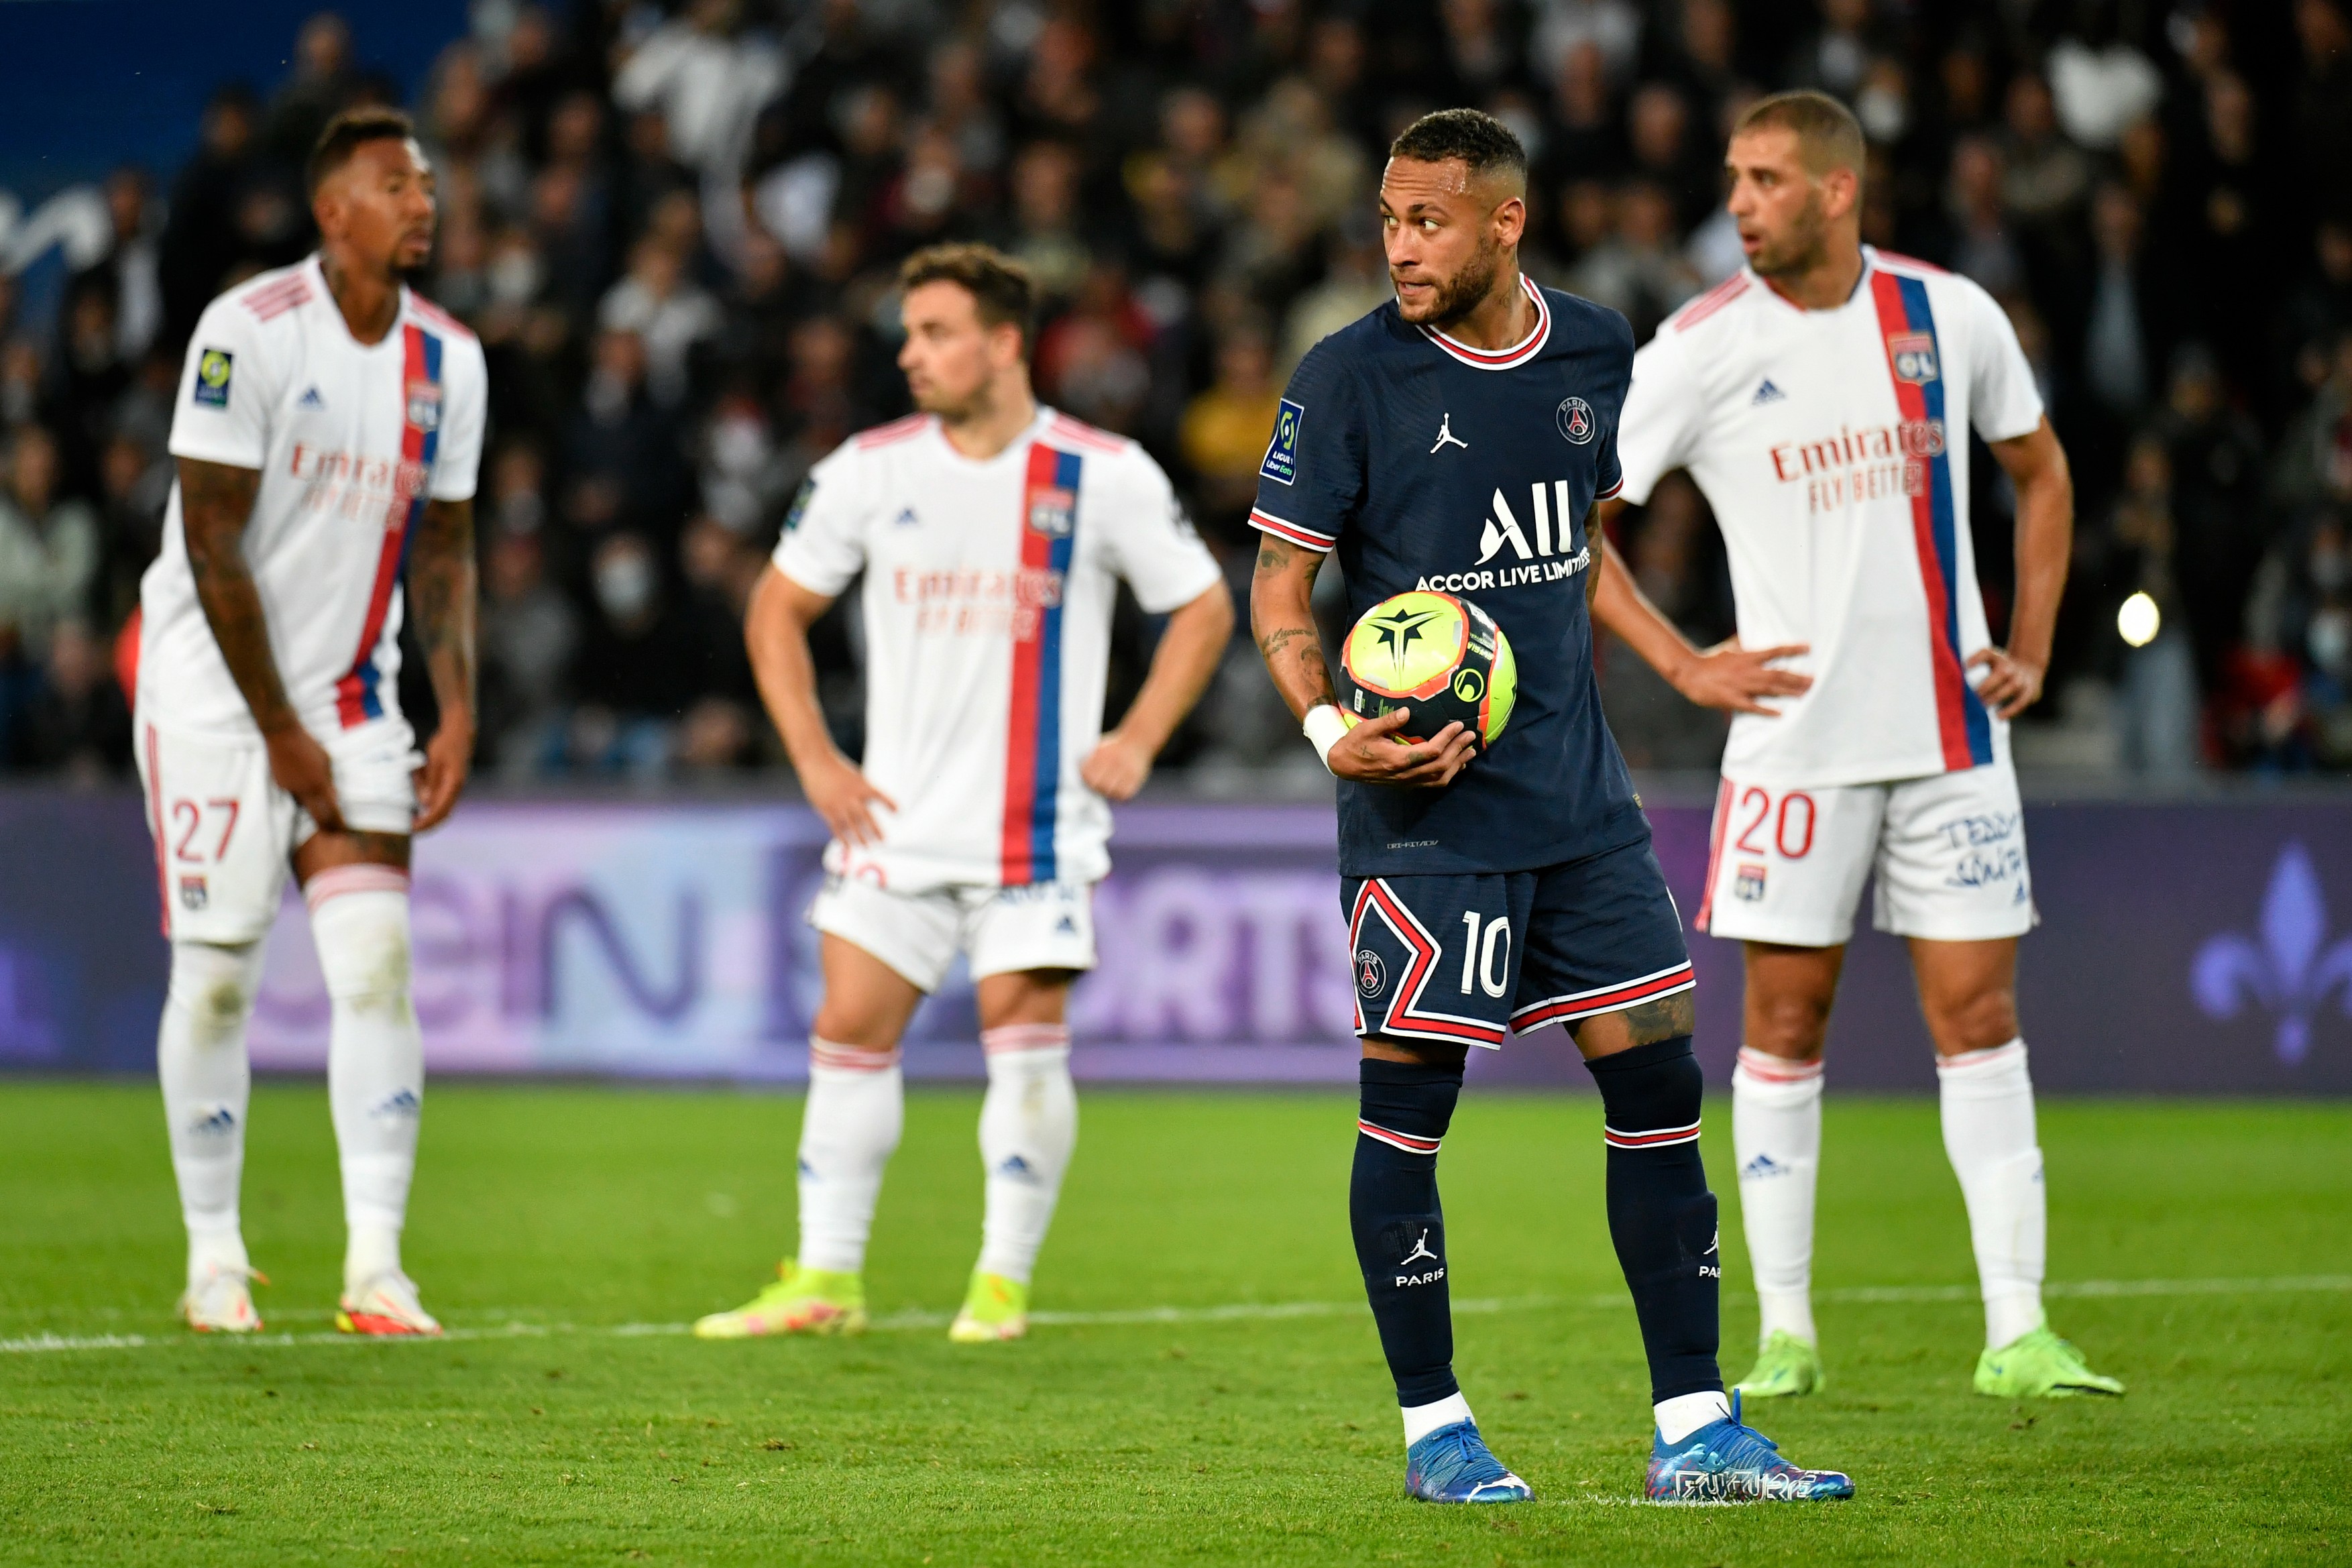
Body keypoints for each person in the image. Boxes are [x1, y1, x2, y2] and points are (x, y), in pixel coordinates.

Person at [1249, 109, 1851, 1506]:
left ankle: (1695, 1428)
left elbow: (1575, 547)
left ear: (1502, 222)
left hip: (1580, 807)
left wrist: (1681, 658)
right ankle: (1435, 1430)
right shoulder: (1343, 380)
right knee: (1406, 1111)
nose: (1397, 244)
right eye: (1389, 219)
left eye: (1428, 221)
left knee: (1655, 1083)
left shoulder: (1590, 350)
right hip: (1423, 816)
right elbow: (1282, 589)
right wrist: (1330, 727)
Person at [1593, 91, 2122, 1402]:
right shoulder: (1697, 346)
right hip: (1788, 747)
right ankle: (1785, 1334)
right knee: (1780, 1021)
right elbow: (1574, 520)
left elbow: (2040, 469)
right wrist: (1679, 659)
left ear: (1835, 191)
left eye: (1765, 178)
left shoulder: (1948, 315)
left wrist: (2033, 643)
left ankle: (2017, 1333)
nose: (1737, 201)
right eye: (1732, 176)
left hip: (1951, 736)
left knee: (1979, 1016)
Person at [695, 243, 1232, 1345]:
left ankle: (1000, 1285)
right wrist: (815, 759)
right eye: (907, 333)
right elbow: (773, 611)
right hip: (895, 819)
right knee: (847, 1025)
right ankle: (825, 1281)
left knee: (1020, 1031)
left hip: (1035, 827)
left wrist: (1136, 734)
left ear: (1003, 343)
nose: (910, 354)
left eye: (935, 332)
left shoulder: (1101, 470)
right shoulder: (866, 469)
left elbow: (1204, 606)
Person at [135, 108, 484, 1337]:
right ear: (333, 211)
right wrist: (277, 726)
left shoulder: (454, 361)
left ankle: (377, 1269)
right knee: (222, 976)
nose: (424, 202)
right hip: (215, 695)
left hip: (354, 699)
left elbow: (443, 547)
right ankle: (215, 1258)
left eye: (427, 184)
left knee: (376, 968)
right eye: (396, 184)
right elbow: (212, 540)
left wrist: (457, 705)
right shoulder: (247, 333)